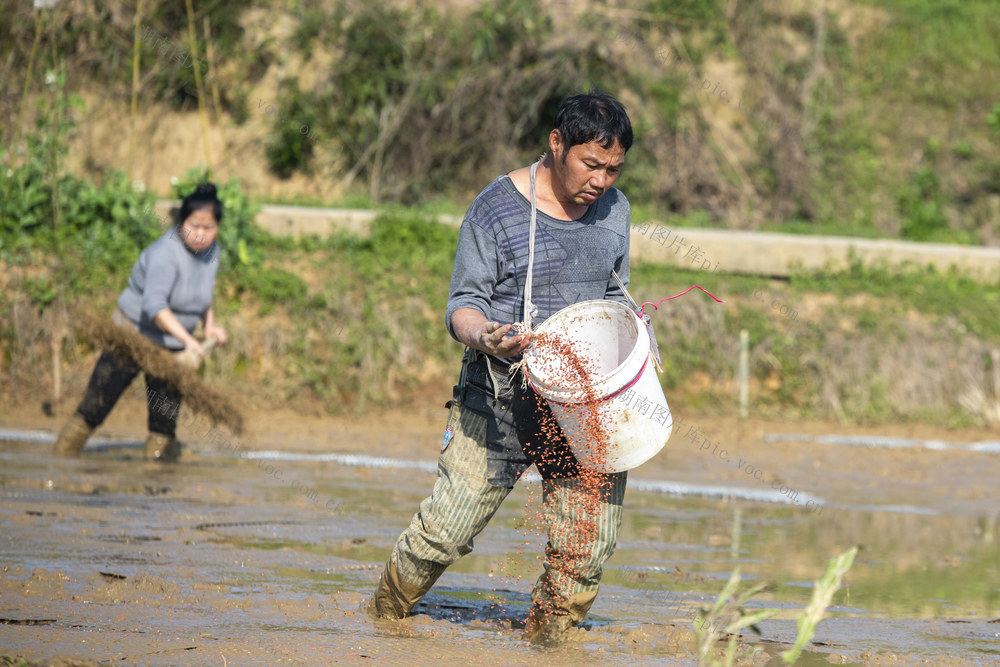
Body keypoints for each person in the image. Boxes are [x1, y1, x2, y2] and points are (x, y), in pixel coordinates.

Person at [369, 92, 635, 642]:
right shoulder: (493, 209)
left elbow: (614, 291)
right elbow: (462, 305)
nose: (602, 181)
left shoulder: (616, 212)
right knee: (444, 532)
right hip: (497, 397)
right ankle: (381, 620)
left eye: (614, 169)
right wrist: (487, 336)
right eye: (591, 165)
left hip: (583, 408)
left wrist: (634, 326)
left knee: (583, 549)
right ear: (556, 145)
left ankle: (550, 643)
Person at [53, 183, 228, 461]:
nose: (201, 235)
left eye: (209, 229)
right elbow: (155, 307)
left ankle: (156, 482)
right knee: (96, 405)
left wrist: (209, 325)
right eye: (194, 226)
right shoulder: (165, 254)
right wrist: (190, 341)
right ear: (182, 221)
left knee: (164, 423)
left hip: (171, 346)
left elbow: (203, 294)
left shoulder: (213, 253)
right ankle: (60, 461)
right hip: (131, 337)